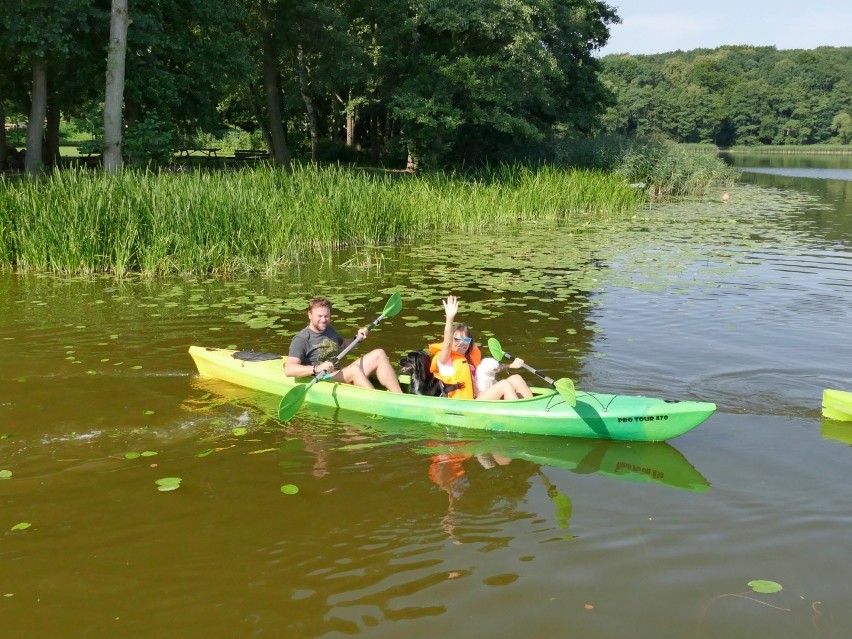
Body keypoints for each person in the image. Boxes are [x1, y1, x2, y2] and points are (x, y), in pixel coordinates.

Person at [284, 296, 402, 393]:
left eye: (327, 316)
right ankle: (379, 401)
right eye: (319, 316)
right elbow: (289, 369)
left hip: (338, 373)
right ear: (310, 315)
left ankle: (399, 395)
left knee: (379, 354)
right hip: (322, 377)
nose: (324, 319)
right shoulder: (301, 339)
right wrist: (317, 368)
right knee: (354, 370)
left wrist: (358, 338)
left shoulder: (329, 330)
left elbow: (343, 345)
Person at [430, 295, 533, 400]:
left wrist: (511, 365)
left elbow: (490, 369)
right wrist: (449, 317)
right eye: (457, 339)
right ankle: (516, 413)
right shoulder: (444, 360)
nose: (461, 343)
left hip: (482, 395)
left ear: (469, 342)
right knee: (504, 384)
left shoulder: (469, 358)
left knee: (517, 378)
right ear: (451, 340)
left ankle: (534, 409)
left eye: (465, 340)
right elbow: (447, 343)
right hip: (467, 402)